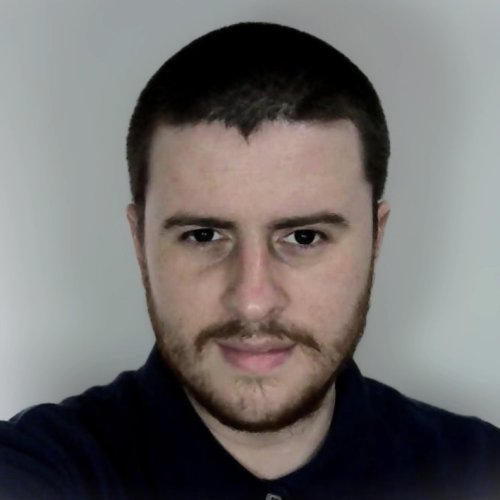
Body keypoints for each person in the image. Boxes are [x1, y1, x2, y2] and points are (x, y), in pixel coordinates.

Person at [0, 21, 499, 500]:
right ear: (139, 243)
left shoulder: (481, 473)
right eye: (203, 236)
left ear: (376, 238)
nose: (253, 302)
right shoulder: (34, 467)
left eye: (304, 237)